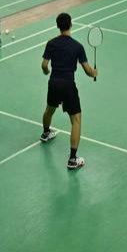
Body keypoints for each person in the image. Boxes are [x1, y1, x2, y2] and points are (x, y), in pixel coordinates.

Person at [40, 12, 98, 170]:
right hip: (68, 85)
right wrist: (94, 73)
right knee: (76, 120)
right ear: (70, 25)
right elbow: (87, 70)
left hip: (53, 83)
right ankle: (73, 159)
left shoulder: (51, 43)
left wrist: (46, 72)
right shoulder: (77, 47)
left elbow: (44, 65)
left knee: (49, 110)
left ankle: (46, 133)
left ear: (58, 26)